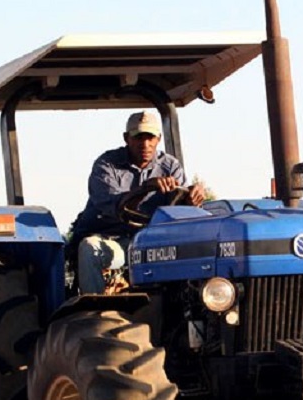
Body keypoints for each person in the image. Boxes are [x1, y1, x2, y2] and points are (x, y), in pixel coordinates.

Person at [70, 110, 206, 293]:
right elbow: (118, 207)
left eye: (150, 138)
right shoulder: (106, 165)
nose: (145, 144)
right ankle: (95, 312)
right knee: (89, 248)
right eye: (139, 137)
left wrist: (192, 198)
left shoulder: (170, 166)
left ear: (158, 139)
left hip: (150, 242)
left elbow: (178, 213)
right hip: (113, 239)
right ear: (127, 138)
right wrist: (145, 188)